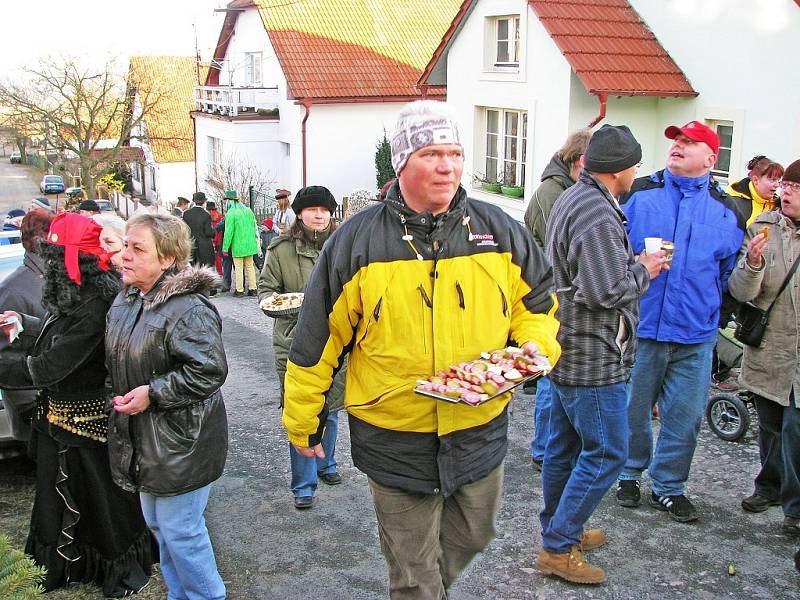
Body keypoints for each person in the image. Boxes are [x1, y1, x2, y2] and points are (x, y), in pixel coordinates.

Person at [282, 100, 561, 598]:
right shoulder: (355, 242)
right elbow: (317, 341)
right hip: (394, 434)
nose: (448, 165)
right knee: (413, 572)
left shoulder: (498, 230)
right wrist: (303, 420)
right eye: (432, 153)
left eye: (454, 152)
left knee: (474, 534)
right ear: (402, 162)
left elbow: (538, 304)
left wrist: (533, 348)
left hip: (479, 426)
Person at [0, 213, 155, 596]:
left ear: (69, 260)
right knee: (66, 497)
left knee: (102, 503)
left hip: (86, 421)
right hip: (63, 417)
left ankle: (110, 568)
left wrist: (6, 365)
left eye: (53, 258)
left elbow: (52, 364)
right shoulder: (80, 292)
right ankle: (74, 564)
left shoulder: (95, 303)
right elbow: (58, 333)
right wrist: (22, 322)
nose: (48, 266)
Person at [540, 125, 666, 584]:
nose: (637, 171)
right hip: (591, 353)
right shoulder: (595, 213)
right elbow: (605, 289)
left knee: (564, 448)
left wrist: (625, 263)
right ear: (618, 170)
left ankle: (560, 529)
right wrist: (644, 268)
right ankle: (558, 546)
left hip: (568, 344)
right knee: (611, 450)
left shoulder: (576, 196)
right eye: (634, 163)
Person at [616, 121, 746, 522]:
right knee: (633, 410)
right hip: (643, 327)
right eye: (675, 140)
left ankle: (669, 487)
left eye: (690, 143)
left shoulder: (729, 210)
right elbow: (614, 251)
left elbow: (728, 274)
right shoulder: (639, 194)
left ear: (711, 158)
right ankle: (628, 473)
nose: (678, 146)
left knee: (685, 418)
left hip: (696, 334)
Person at [105, 213, 228, 600]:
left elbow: (209, 371)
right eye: (125, 245)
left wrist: (153, 393)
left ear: (168, 258)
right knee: (160, 528)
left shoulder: (188, 308)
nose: (124, 255)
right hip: (143, 438)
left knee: (182, 532)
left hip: (181, 441)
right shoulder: (127, 300)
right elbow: (116, 357)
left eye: (137, 249)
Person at [258, 186, 345, 509]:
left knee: (332, 410)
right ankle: (304, 484)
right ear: (299, 214)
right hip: (295, 341)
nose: (319, 215)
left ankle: (327, 464)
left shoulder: (344, 246)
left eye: (324, 210)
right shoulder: (280, 249)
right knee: (300, 413)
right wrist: (295, 306)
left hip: (336, 341)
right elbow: (267, 291)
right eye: (312, 210)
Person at [727, 159, 800, 537]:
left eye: (796, 188)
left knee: (795, 430)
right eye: (785, 185)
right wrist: (753, 263)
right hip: (772, 347)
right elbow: (741, 292)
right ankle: (768, 486)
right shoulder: (762, 228)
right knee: (771, 426)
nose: (785, 192)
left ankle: (795, 508)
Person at [523, 128, 593, 472]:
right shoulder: (552, 193)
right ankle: (544, 450)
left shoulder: (567, 189)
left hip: (565, 295)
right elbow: (558, 254)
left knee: (558, 375)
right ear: (581, 161)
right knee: (552, 374)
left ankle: (553, 448)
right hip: (553, 298)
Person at [713, 156, 785, 391]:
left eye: (779, 181)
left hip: (761, 274)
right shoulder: (735, 203)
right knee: (720, 322)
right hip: (732, 272)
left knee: (743, 323)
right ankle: (718, 371)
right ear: (754, 179)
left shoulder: (776, 207)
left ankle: (738, 367)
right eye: (770, 179)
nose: (776, 185)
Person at [0, 209, 53, 442]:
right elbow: (5, 359)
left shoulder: (55, 279)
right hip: (36, 409)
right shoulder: (13, 291)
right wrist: (33, 404)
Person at [221, 189, 260, 297]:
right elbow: (254, 227)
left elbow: (229, 232)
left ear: (229, 201)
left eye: (226, 200)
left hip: (238, 245)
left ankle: (240, 290)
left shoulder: (231, 213)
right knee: (250, 267)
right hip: (250, 244)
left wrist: (225, 248)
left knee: (238, 268)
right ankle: (253, 289)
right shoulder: (248, 210)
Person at [726, 155, 784, 227]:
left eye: (778, 180)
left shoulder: (778, 207)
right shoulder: (732, 203)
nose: (777, 185)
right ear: (756, 180)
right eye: (772, 180)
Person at [182, 191, 216, 267]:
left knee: (193, 269)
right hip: (204, 247)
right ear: (204, 201)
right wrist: (214, 231)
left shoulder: (186, 214)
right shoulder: (206, 214)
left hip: (191, 246)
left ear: (194, 201)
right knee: (206, 270)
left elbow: (184, 231)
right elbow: (208, 232)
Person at [207, 200, 225, 278]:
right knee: (217, 260)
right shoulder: (220, 216)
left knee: (214, 261)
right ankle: (219, 275)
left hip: (214, 241)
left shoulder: (208, 216)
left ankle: (215, 276)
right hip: (218, 241)